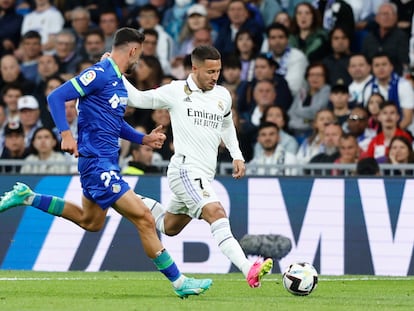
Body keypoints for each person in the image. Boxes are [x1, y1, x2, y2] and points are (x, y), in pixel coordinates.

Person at [0, 27, 212, 298]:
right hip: (98, 164)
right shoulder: (99, 74)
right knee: (145, 219)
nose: (138, 60)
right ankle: (180, 282)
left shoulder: (117, 80)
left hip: (102, 163)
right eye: (140, 54)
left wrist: (142, 139)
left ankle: (27, 197)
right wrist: (65, 133)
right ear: (133, 50)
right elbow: (56, 97)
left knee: (91, 222)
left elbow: (113, 122)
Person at [122, 44, 273, 288]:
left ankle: (122, 197)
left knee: (168, 227)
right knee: (216, 212)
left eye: (218, 71)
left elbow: (226, 125)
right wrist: (114, 71)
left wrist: (237, 154)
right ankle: (248, 268)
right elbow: (138, 98)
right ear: (194, 68)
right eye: (210, 72)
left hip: (204, 174)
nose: (215, 77)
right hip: (184, 170)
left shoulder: (223, 95)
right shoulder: (175, 90)